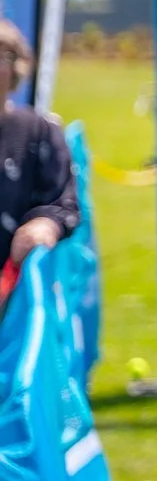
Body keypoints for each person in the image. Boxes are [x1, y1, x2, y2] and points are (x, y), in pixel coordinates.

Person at [0, 22, 80, 286]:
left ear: (15, 68)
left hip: (13, 291)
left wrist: (43, 225)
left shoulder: (39, 131)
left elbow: (61, 202)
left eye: (1, 56)